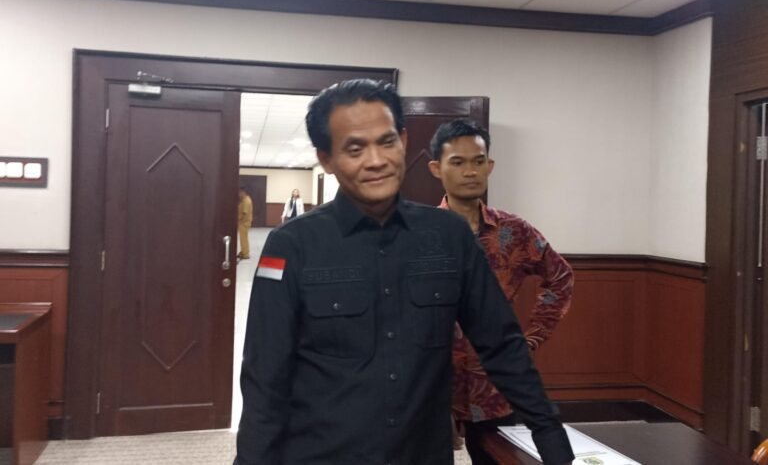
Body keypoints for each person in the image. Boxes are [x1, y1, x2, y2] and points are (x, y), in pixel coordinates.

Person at [234, 79, 574, 465]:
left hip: (421, 454)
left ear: (405, 141)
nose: (376, 160)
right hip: (323, 454)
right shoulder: (292, 245)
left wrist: (552, 441)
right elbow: (265, 378)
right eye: (355, 149)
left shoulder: (450, 237)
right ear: (326, 159)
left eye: (387, 141)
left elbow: (502, 345)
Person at [428, 119, 575, 464]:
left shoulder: (514, 231)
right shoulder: (422, 234)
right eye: (458, 162)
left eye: (478, 162)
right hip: (434, 383)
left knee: (497, 459)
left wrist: (531, 339)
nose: (470, 172)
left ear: (489, 166)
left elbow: (560, 277)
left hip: (497, 383)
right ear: (436, 168)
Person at [237, 187, 254, 260]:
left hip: (244, 223)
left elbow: (244, 212)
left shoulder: (246, 201)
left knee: (243, 239)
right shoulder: (245, 200)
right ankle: (243, 251)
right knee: (243, 239)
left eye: (239, 193)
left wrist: (237, 218)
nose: (238, 195)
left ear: (243, 192)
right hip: (243, 222)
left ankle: (246, 254)